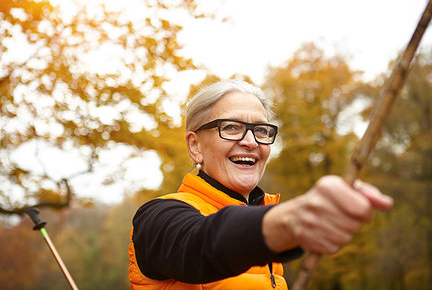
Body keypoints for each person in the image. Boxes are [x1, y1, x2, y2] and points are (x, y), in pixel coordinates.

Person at [128, 79, 393, 289]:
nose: (251, 142)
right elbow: (202, 244)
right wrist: (289, 221)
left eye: (262, 130)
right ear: (195, 145)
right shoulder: (157, 218)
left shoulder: (264, 220)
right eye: (231, 127)